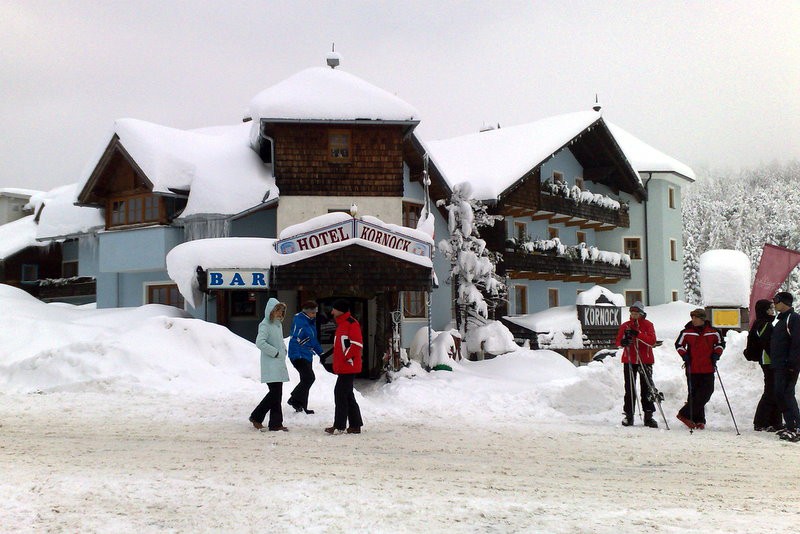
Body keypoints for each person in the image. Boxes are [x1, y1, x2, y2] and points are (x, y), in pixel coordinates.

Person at [674, 308, 724, 430]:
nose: (693, 320)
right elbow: (678, 345)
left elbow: (720, 344)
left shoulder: (714, 332)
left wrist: (716, 354)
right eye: (692, 318)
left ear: (702, 319)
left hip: (708, 367)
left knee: (706, 392)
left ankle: (684, 414)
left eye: (695, 318)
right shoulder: (686, 332)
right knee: (694, 394)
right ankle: (698, 419)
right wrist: (685, 355)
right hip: (692, 367)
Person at [615, 301, 658, 428]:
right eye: (632, 313)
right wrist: (623, 342)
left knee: (647, 388)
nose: (634, 315)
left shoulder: (648, 325)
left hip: (645, 360)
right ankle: (629, 415)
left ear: (641, 313)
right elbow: (618, 341)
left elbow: (652, 341)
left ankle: (648, 415)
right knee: (629, 388)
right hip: (629, 359)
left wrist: (638, 334)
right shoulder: (625, 326)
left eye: (636, 313)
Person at [249, 298, 290, 432]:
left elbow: (279, 340)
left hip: (278, 363)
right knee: (274, 394)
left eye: (281, 311)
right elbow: (260, 342)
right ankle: (256, 416)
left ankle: (275, 423)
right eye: (277, 310)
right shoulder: (265, 324)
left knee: (276, 394)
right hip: (271, 364)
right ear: (271, 310)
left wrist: (283, 349)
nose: (279, 313)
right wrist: (276, 353)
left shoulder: (277, 324)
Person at [324, 299, 364, 435]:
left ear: (339, 310)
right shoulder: (343, 324)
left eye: (334, 309)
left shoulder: (351, 324)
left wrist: (347, 357)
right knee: (347, 396)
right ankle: (355, 425)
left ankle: (339, 425)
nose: (331, 312)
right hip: (345, 366)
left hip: (349, 366)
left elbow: (356, 344)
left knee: (340, 394)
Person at [747, 299, 783, 432]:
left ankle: (774, 421)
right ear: (764, 310)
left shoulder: (763, 323)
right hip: (768, 361)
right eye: (770, 308)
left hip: (770, 361)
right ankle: (761, 421)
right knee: (770, 391)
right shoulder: (763, 324)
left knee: (774, 391)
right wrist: (777, 359)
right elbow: (768, 344)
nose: (772, 311)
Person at [770, 291, 800, 442]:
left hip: (788, 365)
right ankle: (790, 425)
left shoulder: (793, 318)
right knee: (779, 394)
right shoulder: (780, 320)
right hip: (779, 364)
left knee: (787, 394)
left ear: (785, 302)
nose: (774, 303)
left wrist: (792, 364)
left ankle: (796, 426)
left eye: (776, 300)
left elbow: (797, 343)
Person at [287, 300, 323, 414]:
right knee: (309, 378)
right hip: (298, 355)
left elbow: (313, 340)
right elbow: (294, 338)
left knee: (305, 379)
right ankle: (294, 399)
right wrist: (296, 355)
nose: (314, 314)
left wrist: (321, 353)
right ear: (306, 312)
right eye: (312, 312)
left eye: (315, 312)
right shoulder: (300, 321)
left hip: (307, 355)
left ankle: (302, 406)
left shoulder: (311, 322)